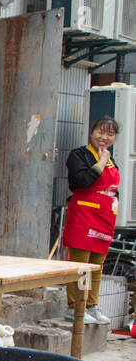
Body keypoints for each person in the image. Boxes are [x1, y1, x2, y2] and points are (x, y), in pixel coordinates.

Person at [62, 115, 122, 325]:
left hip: (104, 218)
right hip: (84, 216)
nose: (104, 137)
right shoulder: (79, 155)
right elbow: (81, 181)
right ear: (92, 132)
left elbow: (113, 188)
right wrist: (101, 162)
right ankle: (76, 307)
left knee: (97, 265)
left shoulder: (112, 159)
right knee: (81, 265)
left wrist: (115, 200)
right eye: (100, 131)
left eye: (110, 133)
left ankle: (92, 306)